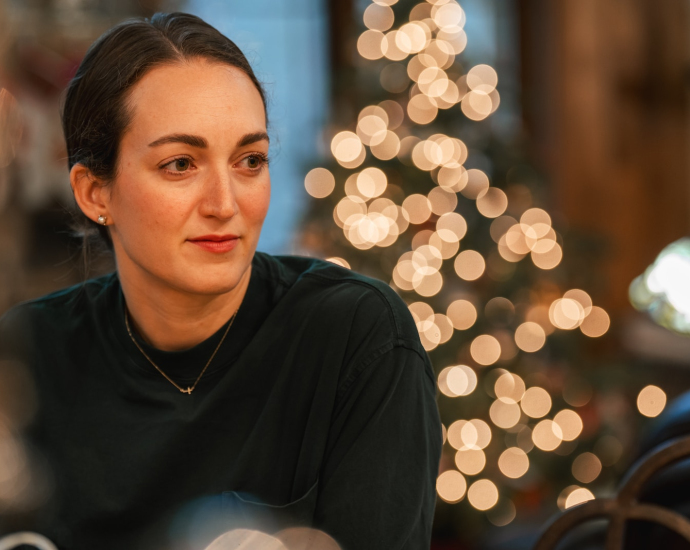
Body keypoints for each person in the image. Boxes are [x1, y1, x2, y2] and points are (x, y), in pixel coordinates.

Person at [0, 12, 443, 550]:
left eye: (249, 160)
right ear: (95, 192)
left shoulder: (356, 337)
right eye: (181, 164)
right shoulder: (25, 354)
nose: (225, 204)